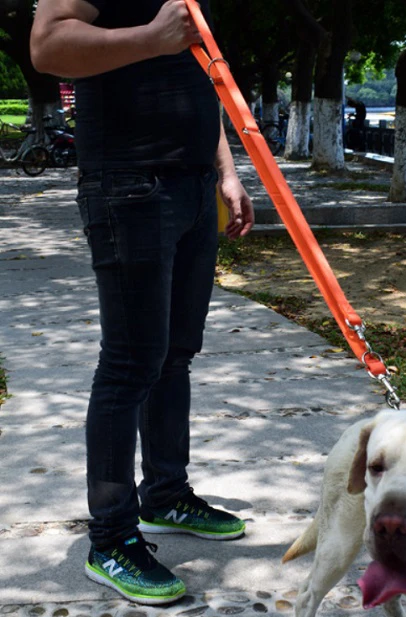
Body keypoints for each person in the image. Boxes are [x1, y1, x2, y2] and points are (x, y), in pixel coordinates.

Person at [30, 0, 254, 606]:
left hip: (191, 184)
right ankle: (110, 540)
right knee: (130, 363)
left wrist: (225, 170)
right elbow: (47, 44)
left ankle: (165, 494)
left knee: (175, 354)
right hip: (129, 186)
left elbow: (198, 74)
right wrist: (152, 37)